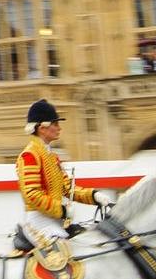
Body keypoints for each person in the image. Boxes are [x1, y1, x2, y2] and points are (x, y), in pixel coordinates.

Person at [16, 99, 117, 254]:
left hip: (55, 221)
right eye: (55, 124)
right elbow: (32, 195)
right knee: (63, 256)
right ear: (42, 128)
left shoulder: (52, 157)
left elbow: (67, 189)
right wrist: (62, 210)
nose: (59, 128)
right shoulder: (29, 155)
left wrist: (94, 196)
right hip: (38, 223)